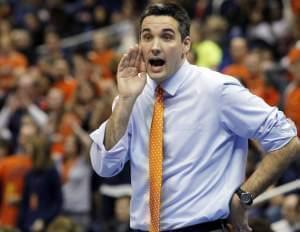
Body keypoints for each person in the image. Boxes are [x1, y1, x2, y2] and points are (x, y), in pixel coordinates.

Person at [89, 2, 300, 232]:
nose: (155, 46)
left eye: (167, 37)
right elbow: (104, 166)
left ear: (185, 45)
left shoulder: (217, 89)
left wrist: (243, 198)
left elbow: (287, 140)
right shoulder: (132, 94)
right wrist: (125, 102)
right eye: (147, 37)